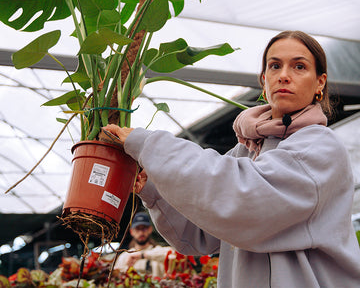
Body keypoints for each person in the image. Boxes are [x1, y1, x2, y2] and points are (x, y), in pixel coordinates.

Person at [104, 30, 360, 287]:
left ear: (320, 82)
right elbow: (199, 233)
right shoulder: (247, 150)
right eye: (274, 66)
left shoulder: (319, 146)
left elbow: (244, 196)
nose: (284, 75)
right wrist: (154, 188)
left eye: (299, 66)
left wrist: (151, 145)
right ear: (263, 80)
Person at [114, 211, 174, 278]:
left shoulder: (158, 250)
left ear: (150, 229)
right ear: (131, 231)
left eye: (144, 228)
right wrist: (126, 268)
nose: (141, 232)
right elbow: (115, 277)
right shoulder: (124, 256)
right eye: (137, 229)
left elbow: (173, 254)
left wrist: (143, 255)